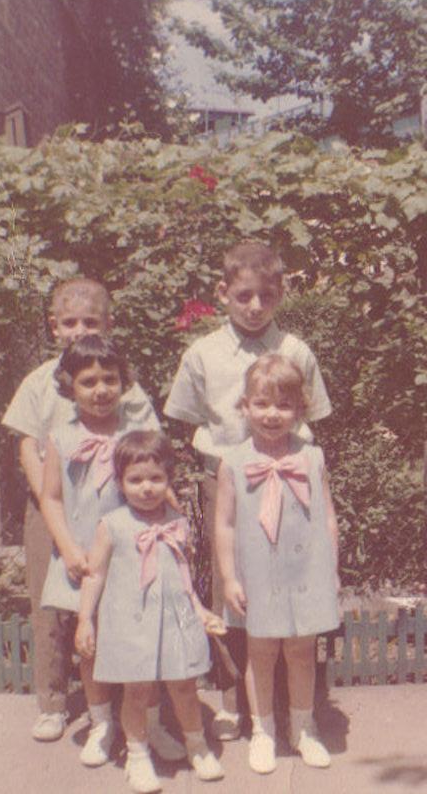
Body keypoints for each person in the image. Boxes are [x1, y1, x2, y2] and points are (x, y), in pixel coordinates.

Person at [163, 240, 332, 741]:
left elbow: (315, 418)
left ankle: (296, 707)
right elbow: (187, 421)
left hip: (291, 476)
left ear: (281, 294)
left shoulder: (296, 351)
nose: (255, 307)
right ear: (223, 293)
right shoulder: (203, 353)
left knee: (293, 584)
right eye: (244, 296)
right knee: (234, 591)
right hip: (230, 480)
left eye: (266, 295)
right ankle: (239, 702)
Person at [2, 278, 177, 756]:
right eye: (70, 322)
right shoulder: (41, 381)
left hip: (119, 510)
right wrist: (52, 508)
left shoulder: (125, 384)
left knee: (128, 606)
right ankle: (54, 702)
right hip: (55, 507)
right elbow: (27, 445)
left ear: (109, 324)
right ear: (54, 325)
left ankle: (135, 708)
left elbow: (149, 445)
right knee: (53, 608)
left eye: (91, 322)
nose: (80, 331)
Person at [38, 334, 179, 769]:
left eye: (110, 379)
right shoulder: (61, 438)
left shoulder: (136, 437)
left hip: (134, 560)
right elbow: (51, 498)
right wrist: (67, 548)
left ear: (124, 382)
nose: (100, 390)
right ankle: (102, 723)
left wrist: (175, 534)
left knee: (144, 642)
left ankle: (150, 722)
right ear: (69, 385)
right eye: (88, 381)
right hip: (83, 559)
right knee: (92, 647)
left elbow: (162, 491)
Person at [76, 431, 225, 791]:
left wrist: (200, 609)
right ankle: (138, 755)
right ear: (121, 481)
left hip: (175, 620)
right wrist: (85, 620)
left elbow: (184, 575)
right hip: (131, 622)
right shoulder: (112, 525)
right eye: (136, 479)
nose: (146, 487)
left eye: (156, 479)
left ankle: (197, 744)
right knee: (137, 691)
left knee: (185, 687)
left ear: (169, 479)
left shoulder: (177, 521)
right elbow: (94, 574)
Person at [214, 353, 340, 774]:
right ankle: (263, 730)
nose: (272, 414)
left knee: (303, 652)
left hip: (305, 571)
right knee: (261, 652)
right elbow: (226, 525)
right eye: (262, 404)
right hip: (259, 573)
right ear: (245, 406)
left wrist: (332, 570)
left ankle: (303, 728)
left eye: (284, 405)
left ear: (300, 410)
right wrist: (229, 577)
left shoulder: (313, 457)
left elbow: (327, 517)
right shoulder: (232, 461)